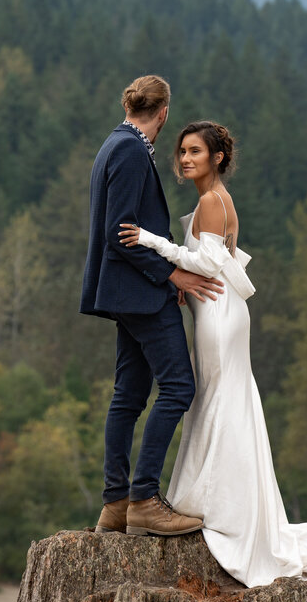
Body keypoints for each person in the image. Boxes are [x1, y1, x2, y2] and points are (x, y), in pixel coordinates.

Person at [118, 120, 307, 588]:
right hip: (217, 309)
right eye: (182, 151)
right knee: (217, 399)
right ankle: (214, 498)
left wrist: (149, 241)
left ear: (217, 158)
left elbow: (205, 263)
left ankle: (218, 505)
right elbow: (222, 261)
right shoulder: (216, 200)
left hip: (219, 318)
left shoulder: (212, 200)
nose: (185, 159)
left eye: (195, 152)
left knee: (218, 400)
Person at [80, 76, 224, 537]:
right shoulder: (127, 150)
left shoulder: (115, 144)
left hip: (130, 292)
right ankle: (142, 499)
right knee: (179, 387)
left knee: (129, 395)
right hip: (141, 293)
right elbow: (118, 235)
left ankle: (116, 504)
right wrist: (171, 274)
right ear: (163, 113)